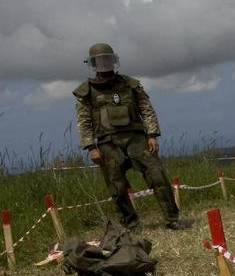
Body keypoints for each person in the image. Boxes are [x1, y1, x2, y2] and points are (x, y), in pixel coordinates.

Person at [73, 43, 181, 231]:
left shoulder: (130, 84)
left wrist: (152, 134)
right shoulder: (86, 91)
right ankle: (131, 224)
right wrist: (91, 147)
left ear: (114, 60)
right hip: (108, 143)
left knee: (157, 175)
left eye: (107, 59)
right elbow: (84, 121)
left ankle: (172, 219)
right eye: (99, 61)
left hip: (137, 138)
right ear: (92, 64)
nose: (104, 64)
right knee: (117, 186)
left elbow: (146, 109)